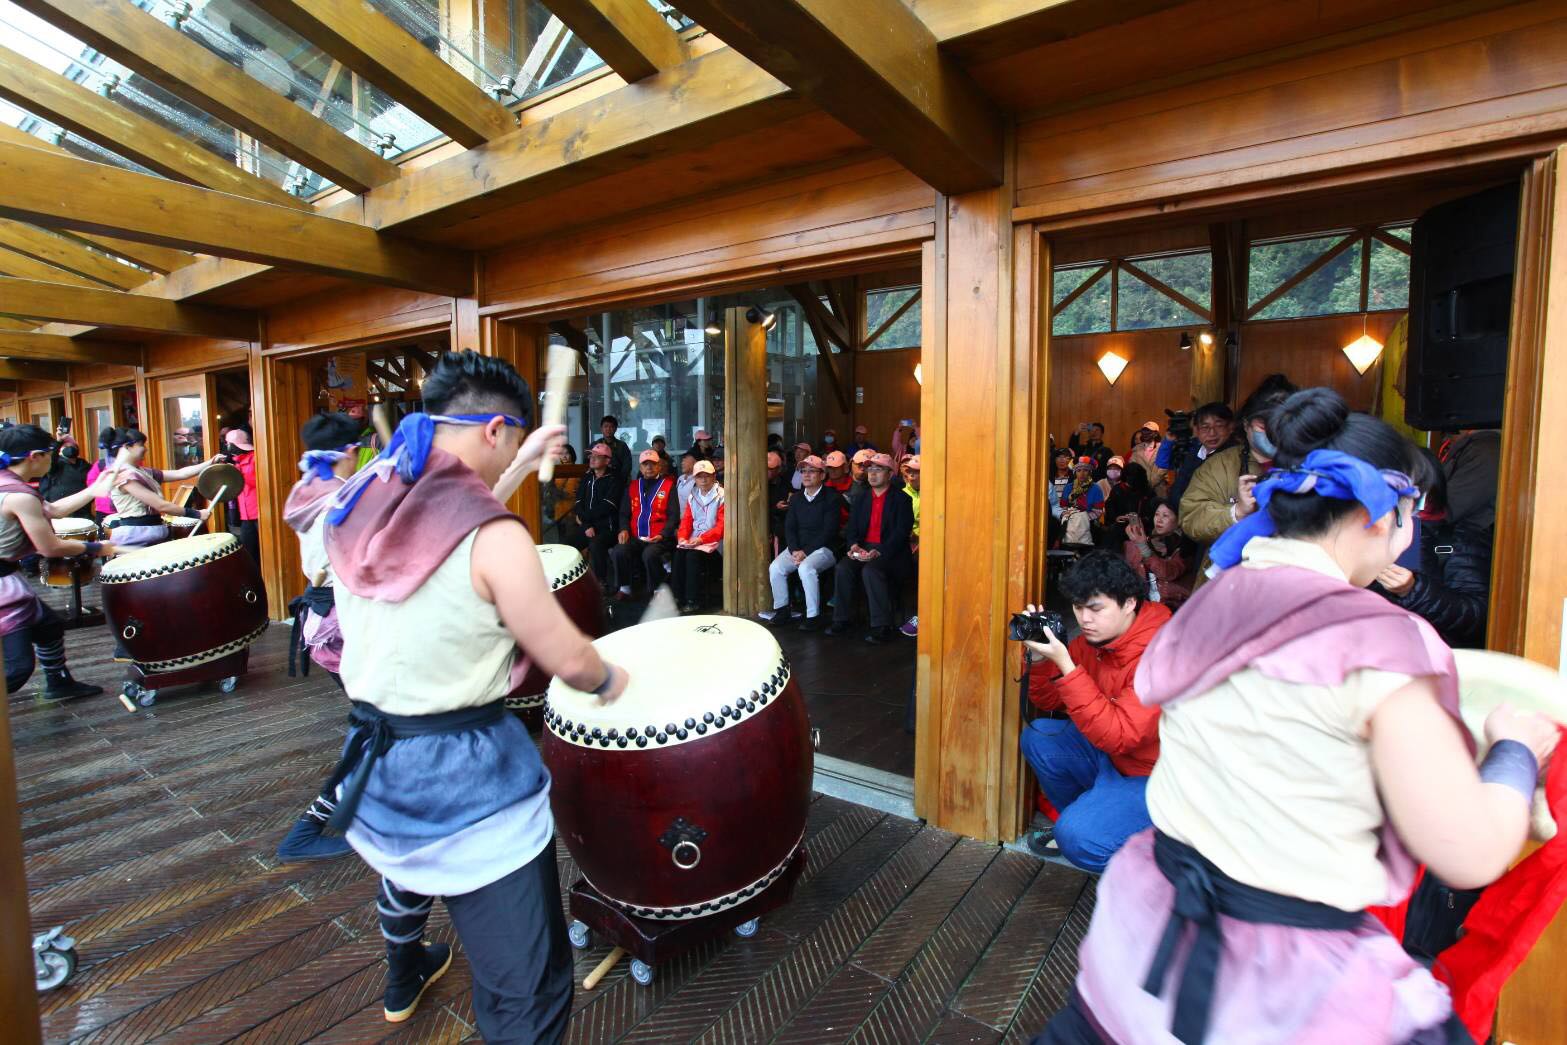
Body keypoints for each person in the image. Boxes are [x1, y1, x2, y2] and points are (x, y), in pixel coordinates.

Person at [1039, 387, 1556, 1045]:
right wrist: (1514, 750)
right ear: (1379, 515)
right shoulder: (1381, 641)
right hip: (1276, 973)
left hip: (1145, 928)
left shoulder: (1212, 598)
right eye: (1413, 512)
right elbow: (1468, 850)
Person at [1017, 552, 1171, 872]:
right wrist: (1043, 660)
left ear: (1129, 603)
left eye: (1096, 608)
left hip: (1161, 777)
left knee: (1079, 837)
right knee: (1040, 738)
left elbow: (1120, 736)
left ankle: (1161, 867)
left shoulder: (1162, 651)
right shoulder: (1095, 641)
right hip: (1115, 761)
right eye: (1078, 607)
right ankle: (1092, 818)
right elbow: (1049, 700)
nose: (1085, 619)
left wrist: (1067, 666)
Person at [275, 411, 364, 863]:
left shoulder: (309, 488)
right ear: (351, 451)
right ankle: (307, 830)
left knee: (376, 725)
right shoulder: (340, 499)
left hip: (323, 617)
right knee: (378, 726)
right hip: (341, 622)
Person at [0, 425, 116, 700]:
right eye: (52, 452)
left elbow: (52, 509)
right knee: (17, 668)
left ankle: (59, 682)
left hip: (7, 577)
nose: (56, 457)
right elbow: (50, 548)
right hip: (2, 585)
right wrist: (99, 547)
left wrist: (94, 490)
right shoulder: (19, 496)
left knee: (49, 625)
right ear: (35, 456)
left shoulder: (8, 483)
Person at [1180, 373, 1297, 586]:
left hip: (1291, 580)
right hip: (1229, 581)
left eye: (1283, 422)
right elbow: (1190, 516)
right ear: (1246, 424)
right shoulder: (1219, 465)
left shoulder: (1310, 464)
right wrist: (1237, 512)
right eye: (1265, 424)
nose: (1274, 430)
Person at [1374, 449, 1491, 649]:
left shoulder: (1458, 540)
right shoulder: (1369, 535)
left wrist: (1412, 589)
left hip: (1435, 657)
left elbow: (1478, 618)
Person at [829, 453, 913, 644]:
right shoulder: (862, 498)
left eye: (878, 469)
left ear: (890, 474)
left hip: (891, 552)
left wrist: (880, 551)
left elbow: (901, 533)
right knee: (843, 568)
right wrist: (853, 545)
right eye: (870, 469)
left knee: (871, 570)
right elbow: (852, 527)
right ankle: (842, 619)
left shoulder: (902, 499)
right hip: (864, 548)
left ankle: (882, 625)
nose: (872, 474)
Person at [762, 454, 842, 630]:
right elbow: (790, 527)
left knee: (806, 568)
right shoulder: (796, 498)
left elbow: (829, 532)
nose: (806, 475)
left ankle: (813, 616)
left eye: (812, 471)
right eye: (803, 471)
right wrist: (795, 550)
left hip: (824, 548)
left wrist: (805, 552)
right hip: (799, 548)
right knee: (775, 567)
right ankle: (782, 610)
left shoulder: (832, 497)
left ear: (822, 475)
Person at [102, 427, 217, 547]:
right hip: (136, 537)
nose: (145, 449)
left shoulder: (141, 471)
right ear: (127, 447)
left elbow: (180, 473)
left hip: (148, 533)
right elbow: (161, 505)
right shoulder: (123, 476)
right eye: (141, 445)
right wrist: (196, 514)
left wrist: (210, 462)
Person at [610, 450, 677, 599]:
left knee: (649, 554)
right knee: (618, 551)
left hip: (659, 538)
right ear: (640, 468)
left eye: (652, 464)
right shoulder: (632, 486)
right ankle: (625, 588)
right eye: (645, 464)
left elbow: (673, 516)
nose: (649, 467)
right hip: (636, 536)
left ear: (659, 466)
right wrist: (624, 529)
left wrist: (663, 535)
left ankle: (658, 590)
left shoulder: (669, 486)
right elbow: (624, 513)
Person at [1124, 498, 1196, 608]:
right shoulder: (1149, 540)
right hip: (1147, 604)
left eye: (1165, 516)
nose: (1159, 520)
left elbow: (1168, 572)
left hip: (1174, 606)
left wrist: (1143, 547)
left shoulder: (1186, 546)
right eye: (1157, 514)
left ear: (1179, 521)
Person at [673, 460, 724, 612]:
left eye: (707, 475)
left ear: (714, 476)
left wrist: (702, 539)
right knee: (679, 553)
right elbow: (686, 521)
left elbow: (721, 527)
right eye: (699, 476)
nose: (703, 479)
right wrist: (682, 538)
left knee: (692, 557)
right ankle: (677, 598)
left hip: (717, 544)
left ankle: (692, 600)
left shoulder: (723, 495)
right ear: (694, 478)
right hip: (695, 542)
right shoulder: (693, 495)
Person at [1165, 402, 1237, 506]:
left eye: (1219, 426)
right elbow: (1178, 488)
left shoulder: (1235, 457)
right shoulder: (1193, 453)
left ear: (1230, 427)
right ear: (1196, 430)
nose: (1212, 433)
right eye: (1205, 427)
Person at [572, 442, 622, 588]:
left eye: (597, 456)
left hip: (608, 528)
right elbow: (578, 502)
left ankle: (601, 583)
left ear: (607, 460)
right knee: (567, 545)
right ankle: (575, 582)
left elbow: (607, 506)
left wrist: (584, 519)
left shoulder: (615, 479)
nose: (592, 459)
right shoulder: (587, 477)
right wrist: (586, 525)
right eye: (591, 456)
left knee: (596, 544)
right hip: (588, 526)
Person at [225, 426, 261, 564]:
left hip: (259, 514)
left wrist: (238, 473)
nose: (227, 447)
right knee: (249, 551)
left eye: (229, 444)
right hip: (246, 515)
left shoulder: (255, 458)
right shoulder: (238, 461)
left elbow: (258, 482)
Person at [899, 455, 922, 638]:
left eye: (917, 472)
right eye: (910, 471)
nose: (912, 475)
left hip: (925, 542)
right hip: (905, 541)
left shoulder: (934, 494)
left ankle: (920, 616)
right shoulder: (901, 494)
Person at [1059, 457, 1105, 548]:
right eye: (1079, 470)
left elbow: (1098, 511)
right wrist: (1070, 515)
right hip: (1070, 519)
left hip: (1089, 522)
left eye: (1085, 470)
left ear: (1090, 472)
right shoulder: (1068, 487)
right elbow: (1063, 506)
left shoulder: (1096, 489)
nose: (1082, 473)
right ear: (1075, 472)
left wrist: (1081, 518)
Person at [39, 442, 91, 519]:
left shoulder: (85, 465)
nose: (69, 448)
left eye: (72, 446)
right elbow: (52, 457)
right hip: (60, 510)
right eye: (65, 446)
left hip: (82, 509)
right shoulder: (54, 465)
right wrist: (59, 442)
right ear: (59, 451)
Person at [767, 449, 790, 552]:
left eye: (770, 469)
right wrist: (775, 508)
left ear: (778, 469)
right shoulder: (756, 483)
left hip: (777, 528)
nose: (766, 471)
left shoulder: (785, 483)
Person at [598, 414, 632, 484]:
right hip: (599, 480)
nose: (608, 429)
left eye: (611, 426)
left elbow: (627, 466)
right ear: (601, 428)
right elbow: (588, 462)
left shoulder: (622, 445)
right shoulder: (596, 445)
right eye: (606, 426)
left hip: (618, 480)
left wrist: (620, 480)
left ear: (616, 429)